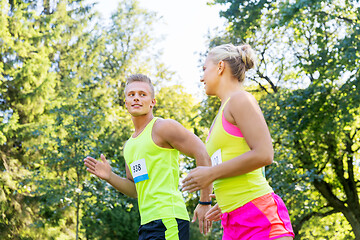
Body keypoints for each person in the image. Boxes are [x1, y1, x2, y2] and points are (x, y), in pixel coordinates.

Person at [182, 44, 295, 240]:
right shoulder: (221, 112)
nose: (201, 77)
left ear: (220, 67)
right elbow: (241, 157)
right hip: (232, 220)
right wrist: (227, 198)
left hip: (259, 216)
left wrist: (210, 174)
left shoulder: (241, 100)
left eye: (204, 69)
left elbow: (264, 154)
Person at [84, 74, 212, 240]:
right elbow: (135, 189)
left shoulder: (163, 127)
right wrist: (110, 176)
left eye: (142, 94)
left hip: (169, 219)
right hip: (146, 224)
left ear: (153, 102)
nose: (136, 98)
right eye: (131, 95)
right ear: (126, 102)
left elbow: (202, 152)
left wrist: (204, 202)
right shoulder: (129, 146)